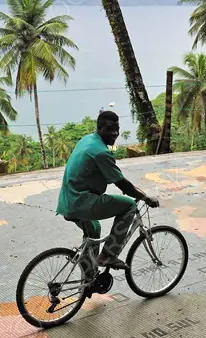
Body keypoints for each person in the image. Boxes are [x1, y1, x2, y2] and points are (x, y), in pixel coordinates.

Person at [56, 110, 158, 271]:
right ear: (100, 128)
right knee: (129, 205)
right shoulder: (101, 153)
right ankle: (108, 255)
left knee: (94, 229)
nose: (115, 133)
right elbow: (123, 185)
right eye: (110, 129)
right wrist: (145, 198)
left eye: (117, 129)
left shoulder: (87, 139)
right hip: (81, 202)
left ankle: (89, 275)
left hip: (67, 201)